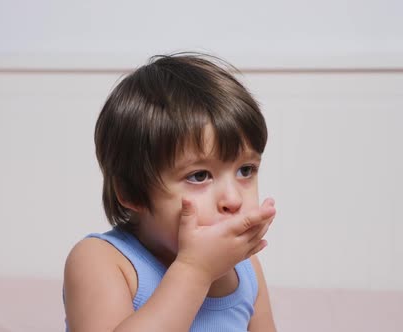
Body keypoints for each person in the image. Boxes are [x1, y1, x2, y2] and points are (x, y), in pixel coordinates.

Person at [63, 52, 277, 331]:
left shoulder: (246, 271)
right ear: (132, 192)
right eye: (199, 175)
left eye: (245, 170)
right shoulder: (101, 261)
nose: (233, 200)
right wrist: (194, 270)